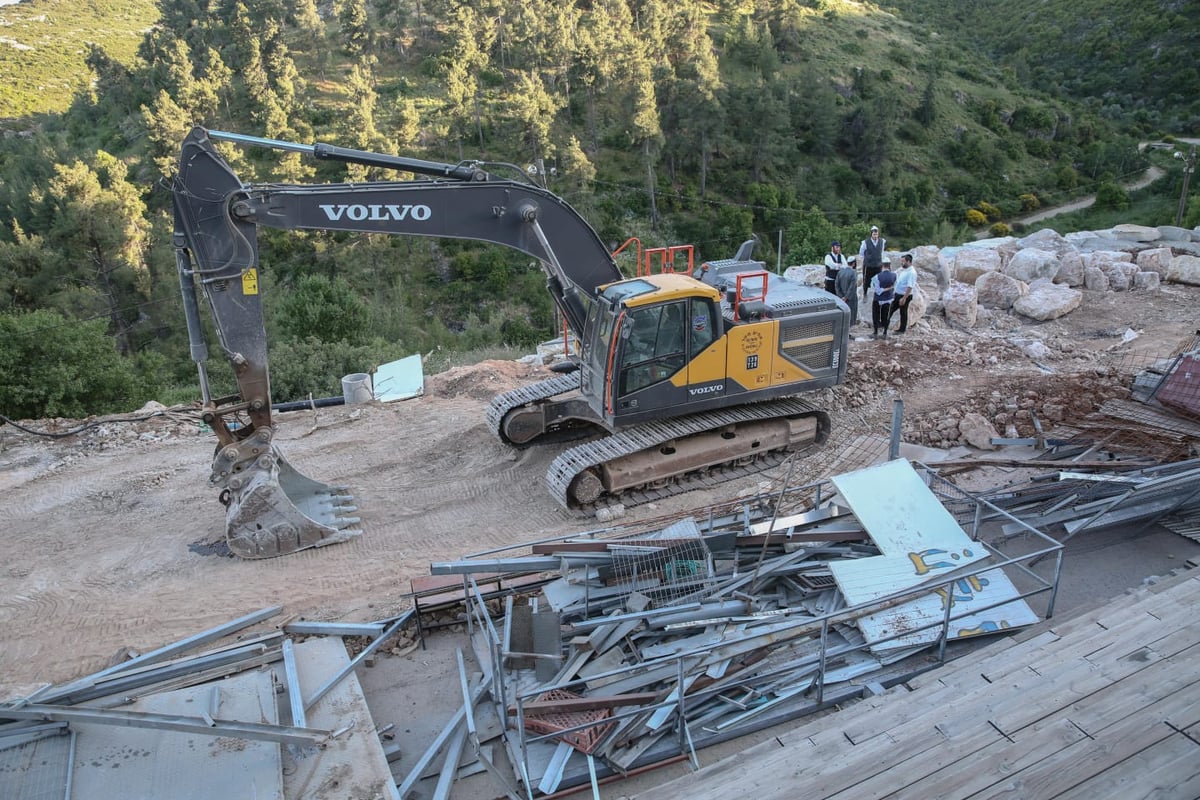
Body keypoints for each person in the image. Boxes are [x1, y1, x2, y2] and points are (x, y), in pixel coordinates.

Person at [869, 259, 896, 340]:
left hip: (878, 299)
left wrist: (885, 289)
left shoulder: (876, 277)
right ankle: (885, 332)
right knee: (886, 316)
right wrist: (890, 288)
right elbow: (895, 286)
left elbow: (877, 291)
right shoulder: (894, 275)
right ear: (889, 265)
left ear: (882, 265)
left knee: (876, 315)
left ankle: (876, 332)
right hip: (889, 299)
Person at [859, 225, 886, 301]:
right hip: (868, 265)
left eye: (876, 234)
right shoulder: (865, 242)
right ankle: (865, 294)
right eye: (874, 234)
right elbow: (861, 253)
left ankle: (878, 294)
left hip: (878, 264)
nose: (875, 235)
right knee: (866, 280)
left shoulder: (882, 241)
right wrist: (867, 259)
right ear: (871, 234)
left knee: (878, 280)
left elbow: (882, 251)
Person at [891, 253, 917, 334]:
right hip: (898, 294)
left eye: (903, 261)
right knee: (892, 309)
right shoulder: (905, 270)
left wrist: (904, 298)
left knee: (902, 312)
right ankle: (885, 324)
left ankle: (902, 330)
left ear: (909, 261)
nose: (902, 263)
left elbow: (910, 286)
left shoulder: (911, 272)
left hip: (904, 295)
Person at [834, 254, 859, 327]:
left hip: (841, 298)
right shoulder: (854, 273)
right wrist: (846, 297)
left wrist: (840, 296)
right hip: (851, 298)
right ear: (854, 263)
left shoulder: (840, 272)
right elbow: (852, 287)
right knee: (850, 316)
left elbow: (836, 285)